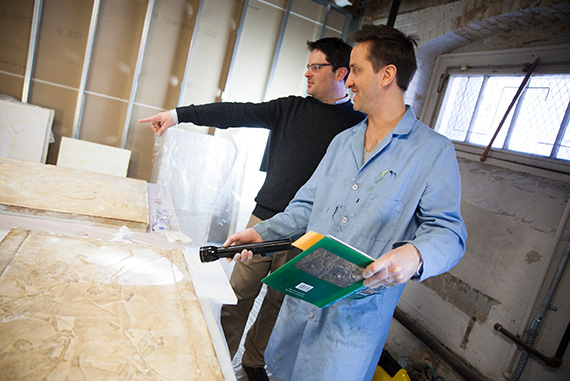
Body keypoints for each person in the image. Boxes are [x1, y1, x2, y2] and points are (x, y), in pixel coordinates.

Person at [223, 24, 468, 380]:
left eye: (355, 69)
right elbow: (306, 206)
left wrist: (415, 255)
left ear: (387, 75)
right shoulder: (343, 142)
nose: (348, 80)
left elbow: (449, 232)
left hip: (349, 328)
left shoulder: (432, 152)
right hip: (299, 310)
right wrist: (261, 233)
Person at [138, 37, 365, 380]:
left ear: (340, 73)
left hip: (307, 232)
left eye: (315, 67)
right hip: (263, 221)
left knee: (278, 302)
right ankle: (217, 360)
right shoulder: (291, 108)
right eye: (307, 66)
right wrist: (177, 115)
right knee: (238, 294)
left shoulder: (355, 126)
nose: (306, 73)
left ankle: (253, 363)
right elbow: (236, 111)